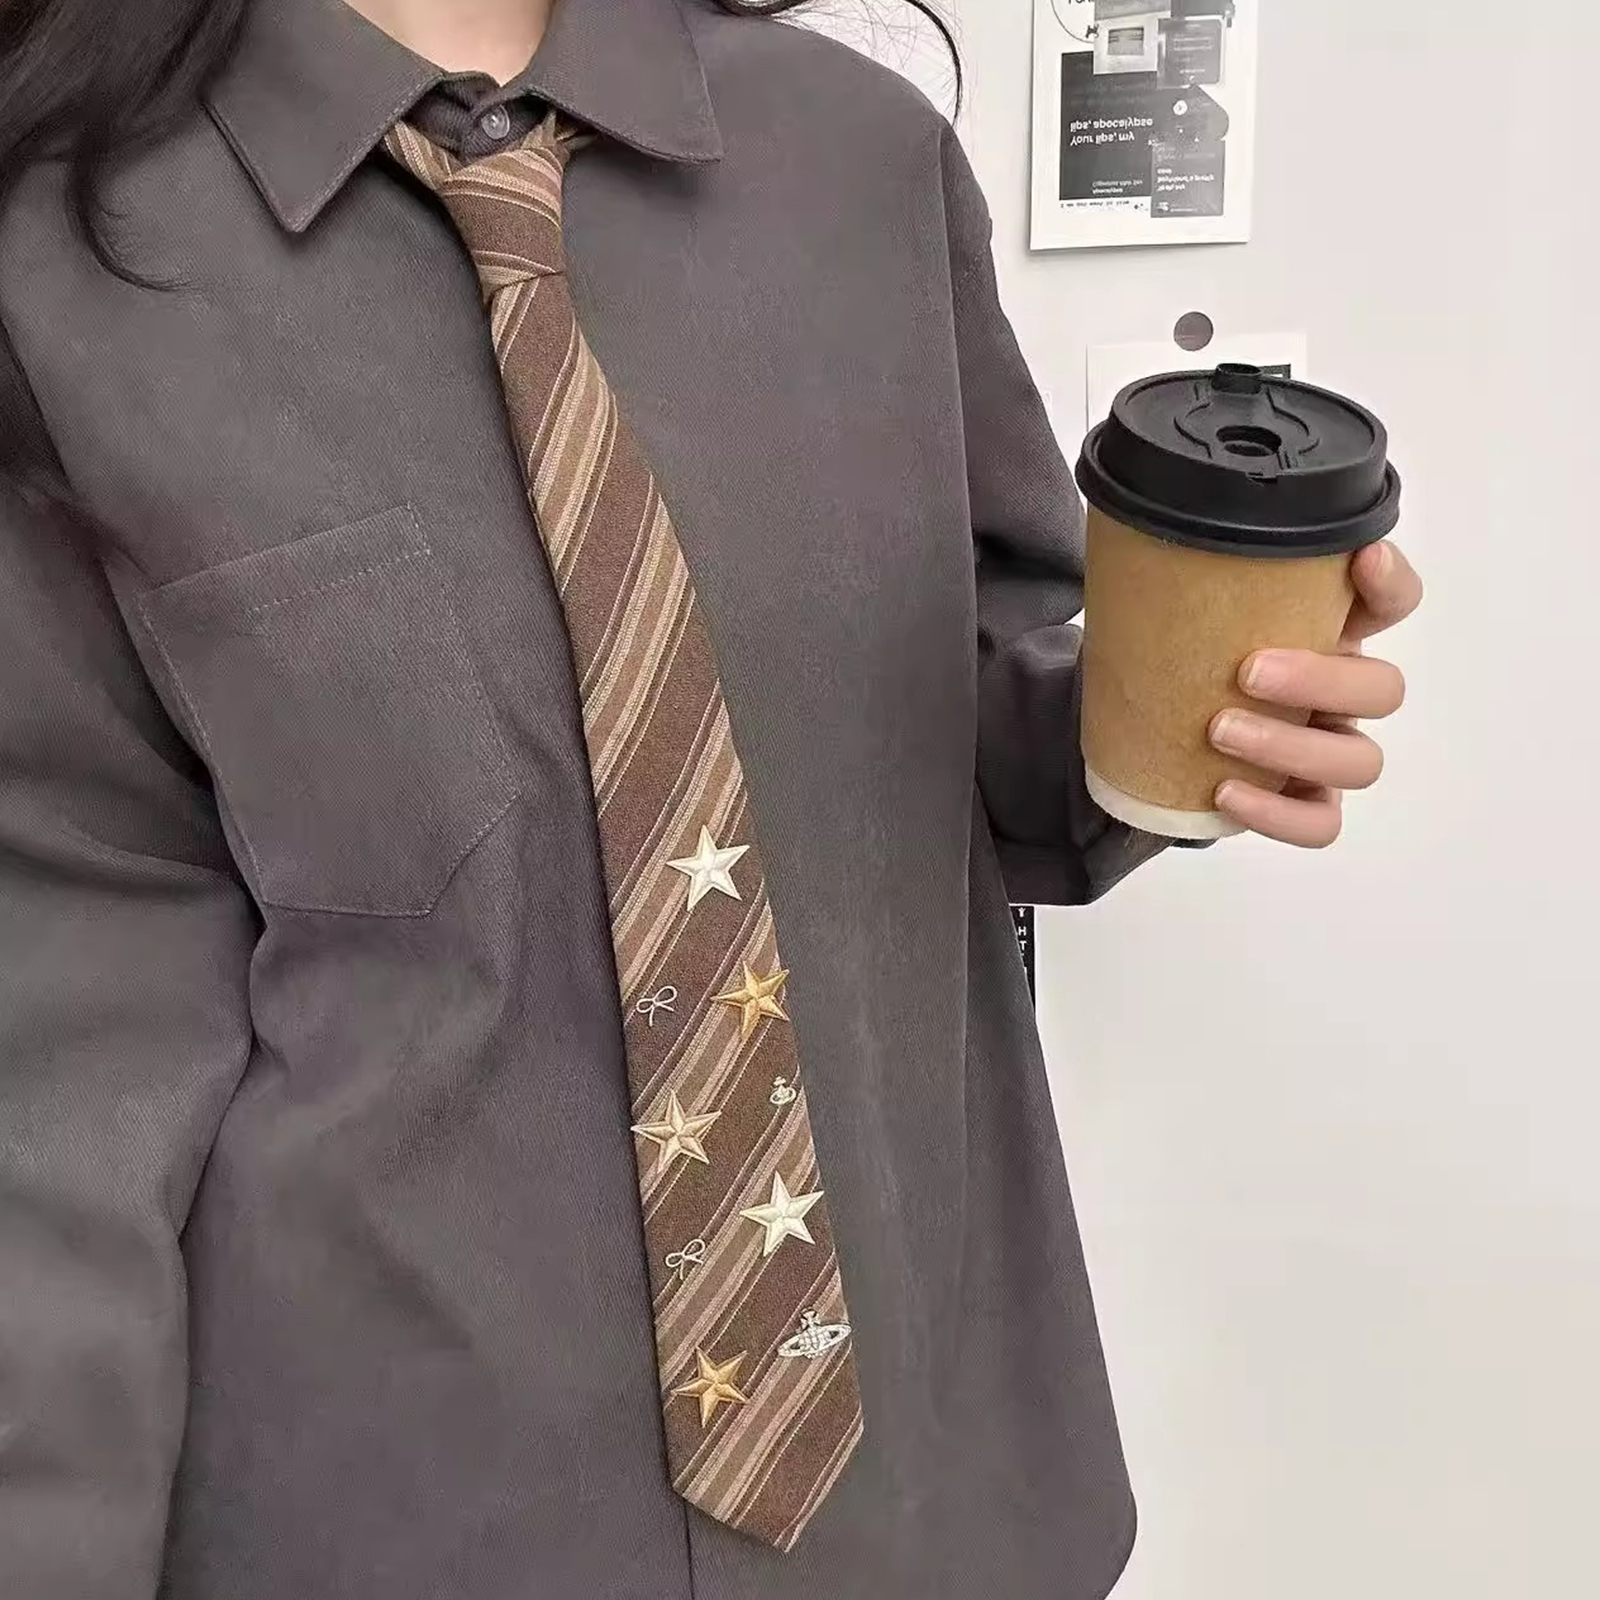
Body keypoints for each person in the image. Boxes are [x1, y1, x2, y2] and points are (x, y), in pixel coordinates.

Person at [0, 1, 1424, 1596]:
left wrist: (1194, 719)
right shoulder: (56, 254)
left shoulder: (860, 159)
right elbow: (58, 1031)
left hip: (929, 1495)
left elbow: (964, 710)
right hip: (398, 1502)